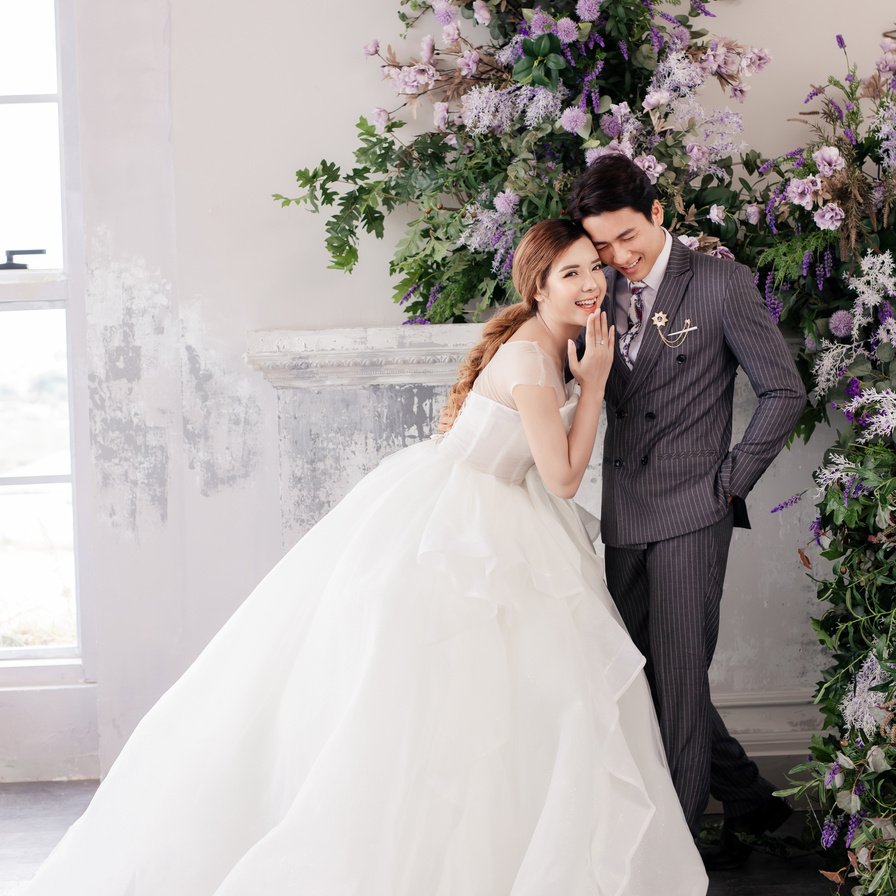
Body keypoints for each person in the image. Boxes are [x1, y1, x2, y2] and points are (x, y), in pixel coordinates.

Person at [24, 219, 708, 896]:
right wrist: (593, 384)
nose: (592, 283)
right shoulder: (534, 358)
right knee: (454, 696)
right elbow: (562, 478)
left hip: (502, 507)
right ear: (537, 287)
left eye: (595, 267)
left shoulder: (554, 343)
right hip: (463, 522)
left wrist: (588, 374)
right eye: (571, 273)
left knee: (536, 691)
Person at [566, 154, 806, 869]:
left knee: (675, 676)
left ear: (659, 213)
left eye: (627, 237)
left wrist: (728, 483)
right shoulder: (595, 289)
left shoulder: (722, 284)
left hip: (693, 510)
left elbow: (784, 392)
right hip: (623, 509)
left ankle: (673, 857)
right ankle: (752, 802)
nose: (617, 257)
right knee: (635, 674)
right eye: (601, 244)